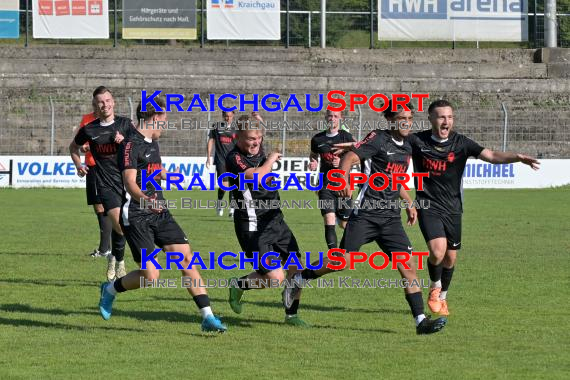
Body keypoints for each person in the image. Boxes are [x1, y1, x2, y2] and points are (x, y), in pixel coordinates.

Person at [290, 101, 448, 335]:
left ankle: (420, 321)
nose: (407, 122)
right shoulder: (377, 138)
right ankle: (299, 279)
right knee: (340, 261)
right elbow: (349, 158)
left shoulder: (409, 144)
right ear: (391, 119)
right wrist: (342, 178)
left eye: (411, 118)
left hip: (390, 219)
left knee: (408, 267)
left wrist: (407, 202)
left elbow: (393, 178)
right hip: (365, 214)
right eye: (402, 117)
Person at [97, 97, 227, 333]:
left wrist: (168, 175)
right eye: (164, 120)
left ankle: (207, 317)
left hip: (160, 212)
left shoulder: (152, 142)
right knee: (151, 275)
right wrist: (146, 200)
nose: (164, 126)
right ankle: (110, 289)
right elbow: (129, 183)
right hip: (136, 214)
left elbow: (151, 169)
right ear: (155, 118)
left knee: (186, 258)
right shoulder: (130, 145)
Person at [409, 99, 540, 317]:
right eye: (441, 116)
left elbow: (492, 156)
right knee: (437, 251)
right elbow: (388, 145)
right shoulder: (417, 141)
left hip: (453, 207)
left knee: (450, 258)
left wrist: (517, 157)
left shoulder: (461, 143)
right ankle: (434, 287)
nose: (446, 121)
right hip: (427, 204)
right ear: (430, 118)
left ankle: (443, 298)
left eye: (450, 117)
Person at [225, 115, 308, 327]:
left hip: (276, 220)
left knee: (297, 267)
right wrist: (270, 160)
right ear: (237, 137)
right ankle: (239, 284)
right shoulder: (234, 158)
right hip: (252, 226)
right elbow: (256, 177)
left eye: (259, 138)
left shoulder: (259, 147)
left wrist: (258, 119)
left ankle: (292, 315)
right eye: (251, 138)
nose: (256, 143)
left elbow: (259, 128)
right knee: (275, 278)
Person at [70, 86, 132, 281]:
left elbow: (139, 147)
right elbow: (73, 147)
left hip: (127, 181)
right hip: (104, 182)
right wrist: (79, 164)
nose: (105, 105)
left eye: (107, 101)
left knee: (125, 226)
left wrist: (125, 142)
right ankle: (119, 260)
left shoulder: (125, 124)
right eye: (100, 102)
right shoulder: (89, 129)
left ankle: (115, 257)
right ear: (95, 105)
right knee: (119, 222)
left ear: (113, 102)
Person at [309, 109, 355, 249]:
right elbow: (313, 155)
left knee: (343, 224)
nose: (332, 118)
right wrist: (313, 162)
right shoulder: (317, 139)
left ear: (340, 119)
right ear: (325, 117)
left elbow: (359, 157)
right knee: (329, 219)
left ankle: (345, 249)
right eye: (330, 115)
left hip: (344, 186)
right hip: (325, 186)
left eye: (336, 116)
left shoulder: (347, 138)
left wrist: (341, 163)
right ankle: (334, 255)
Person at [77, 107, 112, 258]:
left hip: (104, 166)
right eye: (97, 102)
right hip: (91, 165)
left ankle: (106, 249)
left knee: (102, 206)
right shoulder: (86, 119)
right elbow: (79, 143)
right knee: (99, 206)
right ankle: (106, 248)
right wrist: (83, 147)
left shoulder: (113, 121)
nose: (99, 105)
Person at [206, 110, 237, 217]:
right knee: (224, 185)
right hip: (221, 160)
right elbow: (211, 140)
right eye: (226, 116)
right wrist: (208, 157)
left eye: (230, 116)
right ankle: (219, 203)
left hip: (233, 160)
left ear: (233, 116)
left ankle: (232, 209)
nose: (228, 118)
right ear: (223, 116)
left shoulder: (237, 128)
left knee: (233, 185)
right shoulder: (217, 126)